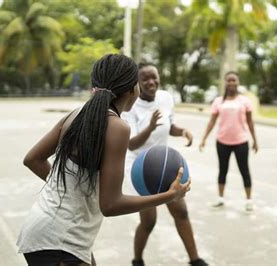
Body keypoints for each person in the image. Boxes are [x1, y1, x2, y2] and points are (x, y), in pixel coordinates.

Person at [17, 54, 191, 266]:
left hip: (45, 230)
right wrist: (169, 196)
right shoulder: (118, 127)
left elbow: (32, 159)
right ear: (131, 89)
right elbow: (110, 205)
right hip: (61, 240)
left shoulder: (75, 114)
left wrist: (69, 187)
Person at [122, 63, 208, 266]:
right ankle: (137, 260)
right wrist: (150, 127)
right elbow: (132, 145)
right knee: (149, 221)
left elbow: (170, 126)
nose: (151, 82)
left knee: (181, 211)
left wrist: (182, 131)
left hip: (165, 163)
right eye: (145, 79)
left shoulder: (165, 98)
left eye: (154, 77)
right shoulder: (130, 106)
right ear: (137, 83)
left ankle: (195, 260)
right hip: (141, 167)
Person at [199, 71, 258, 212]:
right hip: (222, 142)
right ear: (225, 83)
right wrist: (204, 139)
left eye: (234, 80)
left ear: (238, 82)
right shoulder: (219, 101)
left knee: (244, 170)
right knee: (222, 170)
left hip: (241, 142)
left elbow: (250, 122)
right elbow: (212, 121)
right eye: (229, 80)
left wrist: (255, 140)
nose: (231, 82)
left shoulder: (244, 101)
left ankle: (249, 201)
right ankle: (220, 199)